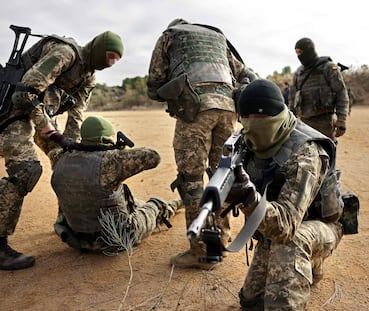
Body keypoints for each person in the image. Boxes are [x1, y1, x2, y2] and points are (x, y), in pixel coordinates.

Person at [0, 30, 123, 270]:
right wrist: (49, 130)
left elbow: (76, 116)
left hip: (36, 115)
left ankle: (68, 221)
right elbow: (25, 94)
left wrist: (75, 148)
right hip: (12, 113)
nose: (110, 64)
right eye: (109, 56)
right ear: (98, 49)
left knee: (67, 161)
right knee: (26, 171)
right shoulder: (65, 54)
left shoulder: (89, 76)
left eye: (115, 60)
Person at [146, 18, 258, 269]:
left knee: (192, 180)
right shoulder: (218, 38)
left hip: (195, 111)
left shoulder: (170, 35)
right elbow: (246, 74)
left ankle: (201, 252)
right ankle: (222, 237)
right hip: (228, 109)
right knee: (224, 175)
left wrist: (167, 92)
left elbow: (154, 83)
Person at [228, 79, 343, 310]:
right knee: (251, 301)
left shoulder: (306, 152)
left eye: (263, 120)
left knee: (292, 242)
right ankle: (310, 264)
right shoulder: (245, 141)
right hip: (277, 219)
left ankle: (314, 259)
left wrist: (249, 199)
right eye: (248, 119)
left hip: (317, 223)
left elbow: (286, 226)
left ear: (279, 115)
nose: (255, 125)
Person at [49, 115, 182, 252]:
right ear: (105, 139)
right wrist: (118, 151)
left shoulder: (58, 158)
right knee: (155, 204)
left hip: (76, 239)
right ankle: (174, 204)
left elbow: (54, 147)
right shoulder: (111, 161)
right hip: (116, 239)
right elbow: (153, 157)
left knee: (135, 203)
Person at [288, 37, 349, 141]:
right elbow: (292, 98)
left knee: (326, 153)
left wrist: (341, 120)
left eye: (300, 52)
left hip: (325, 122)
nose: (299, 56)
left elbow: (341, 93)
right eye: (297, 53)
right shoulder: (299, 73)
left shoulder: (328, 68)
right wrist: (290, 119)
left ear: (308, 51)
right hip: (303, 123)